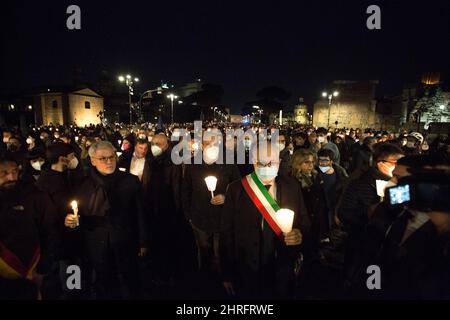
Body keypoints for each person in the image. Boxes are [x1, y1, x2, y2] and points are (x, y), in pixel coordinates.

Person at [220, 142, 311, 299]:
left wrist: (299, 233)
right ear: (253, 162)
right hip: (247, 268)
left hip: (281, 267)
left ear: (280, 162)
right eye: (262, 162)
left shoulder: (292, 186)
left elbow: (304, 222)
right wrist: (227, 273)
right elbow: (227, 233)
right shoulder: (236, 189)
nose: (267, 167)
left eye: (272, 162)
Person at [65, 141, 149, 299]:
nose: (109, 162)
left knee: (132, 279)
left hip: (126, 240)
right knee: (106, 282)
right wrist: (72, 220)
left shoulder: (130, 181)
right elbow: (77, 214)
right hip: (97, 242)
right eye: (103, 158)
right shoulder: (82, 185)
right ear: (92, 160)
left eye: (111, 157)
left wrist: (143, 241)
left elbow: (140, 213)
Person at [337, 143, 404, 283]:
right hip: (362, 245)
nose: (399, 166)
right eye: (396, 162)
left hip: (389, 248)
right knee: (365, 283)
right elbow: (344, 213)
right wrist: (370, 215)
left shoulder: (401, 185)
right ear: (381, 163)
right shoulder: (360, 183)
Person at [182, 136, 241, 295]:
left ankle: (224, 279)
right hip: (199, 217)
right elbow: (186, 189)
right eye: (208, 143)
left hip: (222, 217)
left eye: (215, 143)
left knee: (220, 250)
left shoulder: (228, 163)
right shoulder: (192, 163)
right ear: (201, 145)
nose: (212, 146)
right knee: (203, 250)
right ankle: (205, 280)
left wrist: (225, 197)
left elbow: (238, 188)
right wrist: (189, 215)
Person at [0, 155, 57, 299]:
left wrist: (44, 266)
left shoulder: (34, 196)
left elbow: (49, 230)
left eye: (14, 171)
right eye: (4, 173)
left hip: (31, 267)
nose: (12, 177)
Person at [146, 134, 183, 286]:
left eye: (159, 143)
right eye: (153, 143)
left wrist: (178, 210)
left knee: (168, 243)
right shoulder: (150, 160)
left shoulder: (173, 161)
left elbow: (176, 187)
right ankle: (158, 272)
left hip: (168, 209)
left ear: (167, 144)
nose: (155, 146)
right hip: (152, 208)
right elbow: (146, 184)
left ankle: (169, 274)